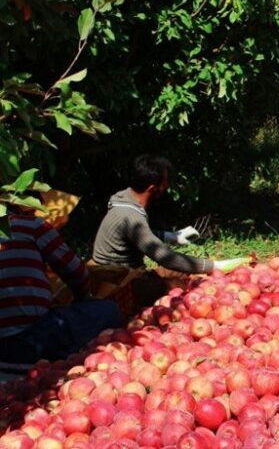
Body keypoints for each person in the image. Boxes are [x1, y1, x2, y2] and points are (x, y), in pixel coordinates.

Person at [91, 155, 246, 304]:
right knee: (182, 287)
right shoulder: (131, 216)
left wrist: (171, 236)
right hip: (119, 280)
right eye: (165, 182)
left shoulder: (125, 198)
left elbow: (136, 236)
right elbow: (165, 258)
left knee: (186, 273)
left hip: (129, 271)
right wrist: (214, 266)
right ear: (152, 188)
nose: (166, 186)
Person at [0, 208, 122, 364]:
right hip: (30, 340)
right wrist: (82, 298)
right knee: (109, 309)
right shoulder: (30, 226)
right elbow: (78, 273)